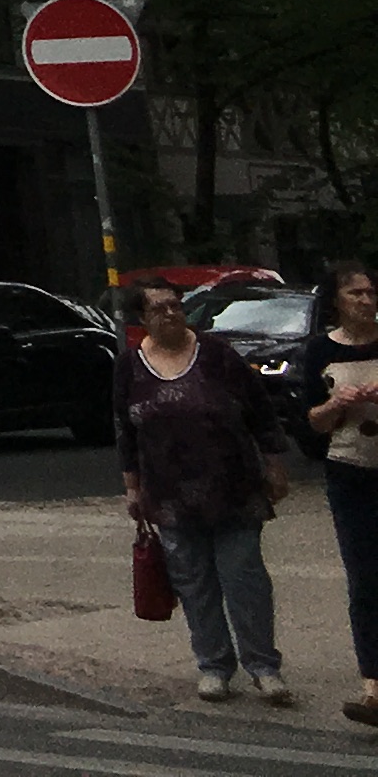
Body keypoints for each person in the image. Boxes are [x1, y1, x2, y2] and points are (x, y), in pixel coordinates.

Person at [122, 276, 291, 703]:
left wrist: (274, 464)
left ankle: (264, 667)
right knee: (194, 584)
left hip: (233, 488)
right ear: (142, 318)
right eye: (159, 308)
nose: (170, 313)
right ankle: (214, 665)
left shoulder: (217, 356)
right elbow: (125, 431)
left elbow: (261, 412)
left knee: (245, 580)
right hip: (170, 496)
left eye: (175, 305)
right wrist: (132, 488)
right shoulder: (129, 366)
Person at [294, 259, 378, 730]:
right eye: (355, 294)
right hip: (351, 474)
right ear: (336, 302)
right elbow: (310, 422)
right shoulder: (320, 350)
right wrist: (335, 405)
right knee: (367, 581)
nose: (366, 301)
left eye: (370, 293)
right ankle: (374, 686)